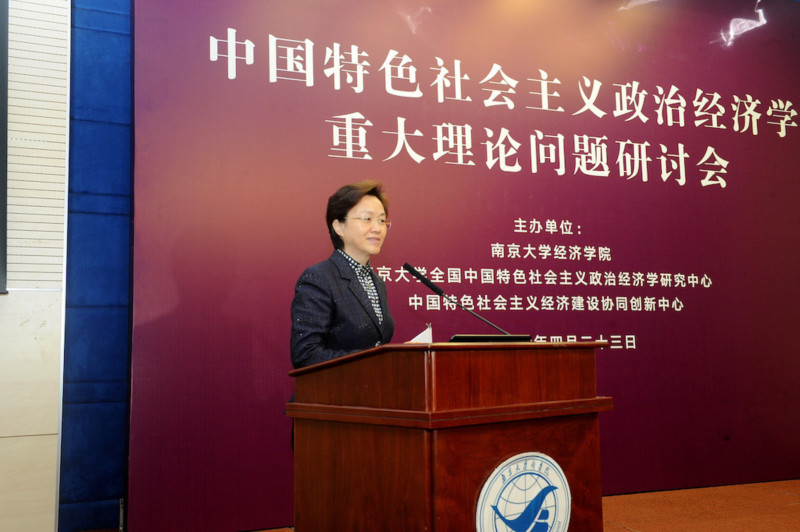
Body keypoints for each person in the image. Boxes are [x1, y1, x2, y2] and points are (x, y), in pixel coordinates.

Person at [290, 181, 395, 369]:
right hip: (332, 388)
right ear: (339, 227)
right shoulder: (319, 278)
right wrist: (376, 360)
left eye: (381, 220)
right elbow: (306, 355)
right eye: (367, 219)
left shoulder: (377, 282)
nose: (377, 228)